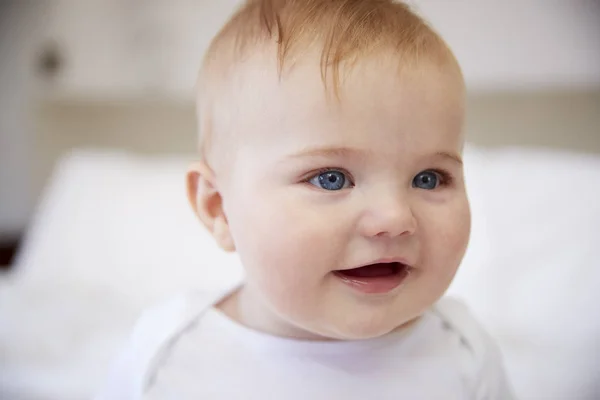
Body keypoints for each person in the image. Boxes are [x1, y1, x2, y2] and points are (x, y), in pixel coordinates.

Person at [96, 0, 514, 398]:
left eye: (428, 178)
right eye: (331, 179)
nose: (394, 217)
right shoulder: (168, 360)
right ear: (218, 208)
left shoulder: (463, 356)